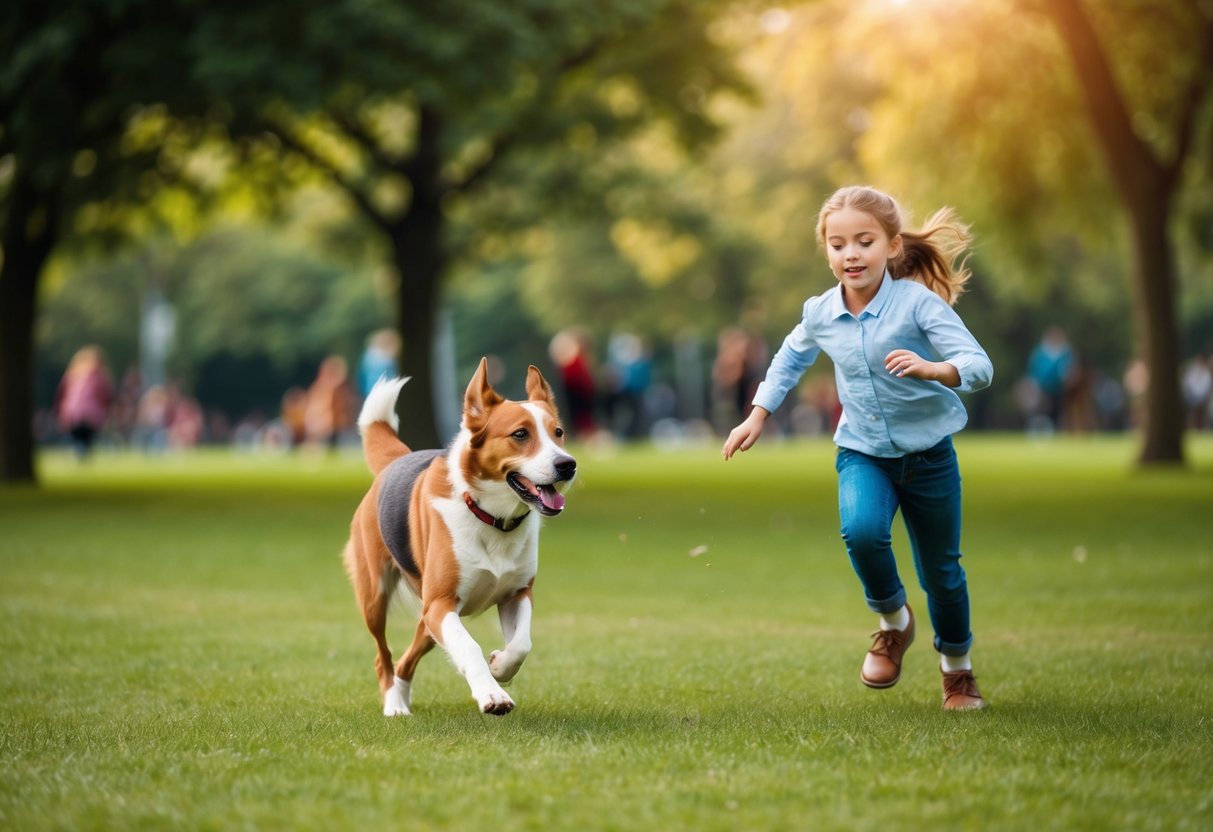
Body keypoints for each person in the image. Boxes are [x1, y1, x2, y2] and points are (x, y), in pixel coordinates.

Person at [722, 186, 993, 711]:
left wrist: (936, 368)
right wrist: (757, 414)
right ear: (826, 250)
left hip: (930, 457)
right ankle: (894, 622)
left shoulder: (917, 304)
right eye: (838, 243)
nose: (851, 254)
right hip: (863, 452)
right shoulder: (821, 312)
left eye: (864, 242)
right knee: (863, 532)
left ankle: (957, 671)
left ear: (891, 246)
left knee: (942, 572)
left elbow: (979, 364)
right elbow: (787, 360)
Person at [54, 345, 114, 460]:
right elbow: (105, 396)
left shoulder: (71, 374)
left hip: (71, 413)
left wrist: (59, 412)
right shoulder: (98, 375)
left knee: (79, 438)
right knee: (86, 438)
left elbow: (61, 393)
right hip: (91, 414)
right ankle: (82, 453)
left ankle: (80, 452)